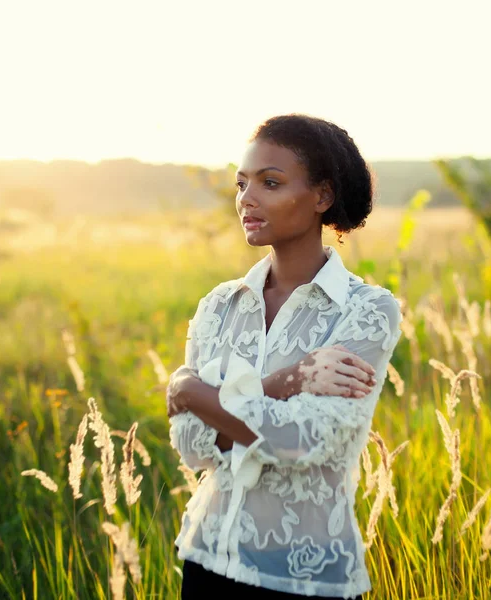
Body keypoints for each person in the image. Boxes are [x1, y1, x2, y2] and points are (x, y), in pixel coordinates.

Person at [167, 113, 403, 599]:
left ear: (322, 196)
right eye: (241, 184)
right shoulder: (218, 305)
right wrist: (287, 380)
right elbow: (191, 445)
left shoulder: (366, 311)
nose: (246, 199)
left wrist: (194, 392)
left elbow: (301, 440)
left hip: (306, 577)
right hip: (207, 559)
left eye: (270, 183)